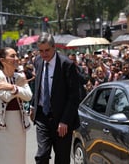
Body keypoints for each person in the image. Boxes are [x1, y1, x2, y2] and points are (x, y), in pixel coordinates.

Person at [30, 33, 80, 164]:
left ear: (54, 47)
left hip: (61, 120)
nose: (44, 54)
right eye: (41, 51)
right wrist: (32, 105)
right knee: (41, 156)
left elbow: (74, 96)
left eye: (47, 50)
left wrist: (65, 121)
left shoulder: (66, 64)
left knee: (62, 159)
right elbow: (37, 85)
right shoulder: (38, 61)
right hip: (42, 117)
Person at [0, 47, 32, 164]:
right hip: (1, 124)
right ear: (3, 60)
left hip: (18, 124)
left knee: (18, 158)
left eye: (16, 55)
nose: (16, 58)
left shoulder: (19, 77)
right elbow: (6, 97)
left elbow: (28, 96)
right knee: (1, 158)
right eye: (12, 56)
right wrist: (18, 89)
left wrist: (11, 87)